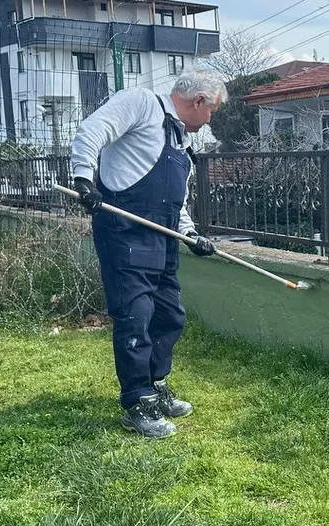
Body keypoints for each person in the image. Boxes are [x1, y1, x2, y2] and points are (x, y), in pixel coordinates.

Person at [68, 70, 227, 439]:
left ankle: (156, 386)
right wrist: (83, 179)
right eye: (212, 111)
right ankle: (137, 402)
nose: (210, 120)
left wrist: (190, 235)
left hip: (162, 238)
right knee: (135, 318)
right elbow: (93, 130)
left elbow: (176, 201)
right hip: (124, 233)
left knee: (170, 316)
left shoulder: (179, 140)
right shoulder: (141, 104)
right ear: (198, 101)